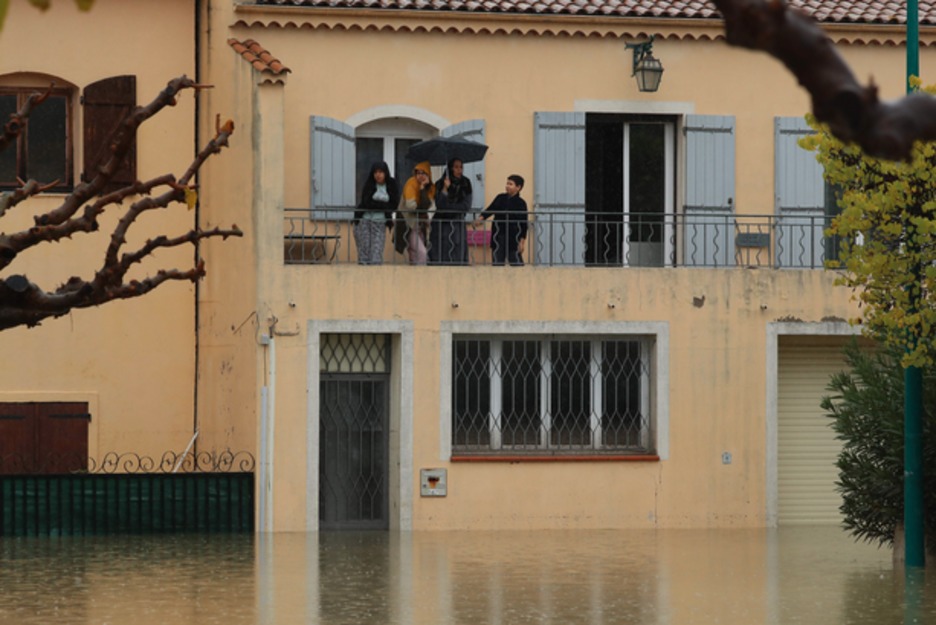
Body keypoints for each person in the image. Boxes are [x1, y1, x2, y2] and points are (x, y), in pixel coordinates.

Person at [473, 174, 528, 266]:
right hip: (498, 236)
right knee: (497, 263)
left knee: (517, 265)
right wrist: (480, 218)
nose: (507, 186)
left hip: (513, 238)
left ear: (518, 187)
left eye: (510, 184)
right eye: (507, 183)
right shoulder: (500, 198)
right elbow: (490, 209)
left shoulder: (521, 203)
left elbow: (524, 223)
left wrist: (522, 242)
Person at [353, 161, 398, 265]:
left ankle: (375, 279)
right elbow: (366, 202)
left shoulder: (391, 184)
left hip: (380, 222)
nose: (378, 175)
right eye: (375, 172)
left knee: (376, 253)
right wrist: (383, 205)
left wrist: (377, 204)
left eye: (381, 172)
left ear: (385, 173)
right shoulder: (370, 184)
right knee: (364, 252)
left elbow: (394, 204)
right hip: (364, 221)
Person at [428, 158, 472, 265]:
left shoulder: (466, 184)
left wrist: (449, 207)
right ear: (450, 168)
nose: (459, 170)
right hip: (441, 225)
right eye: (456, 167)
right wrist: (445, 189)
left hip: (457, 223)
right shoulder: (440, 183)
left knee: (457, 250)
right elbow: (440, 204)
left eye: (461, 167)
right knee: (440, 250)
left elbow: (465, 206)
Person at [397, 161, 436, 265]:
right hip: (408, 226)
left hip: (421, 226)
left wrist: (423, 189)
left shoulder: (431, 188)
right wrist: (422, 189)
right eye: (418, 173)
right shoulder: (411, 183)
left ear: (428, 174)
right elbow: (412, 207)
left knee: (416, 256)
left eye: (423, 173)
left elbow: (431, 207)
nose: (420, 176)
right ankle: (421, 278)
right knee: (421, 253)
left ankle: (417, 279)